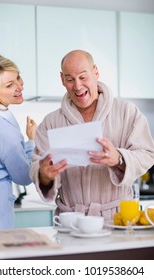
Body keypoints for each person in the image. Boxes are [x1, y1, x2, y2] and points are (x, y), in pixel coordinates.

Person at [30, 49, 154, 221]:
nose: (78, 86)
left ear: (95, 72)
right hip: (71, 221)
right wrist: (44, 174)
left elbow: (147, 154)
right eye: (70, 79)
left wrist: (118, 158)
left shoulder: (127, 112)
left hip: (117, 218)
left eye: (83, 77)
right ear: (62, 79)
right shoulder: (50, 123)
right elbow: (37, 164)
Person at [0, 53, 37, 230]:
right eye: (9, 85)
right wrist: (32, 141)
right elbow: (24, 176)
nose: (19, 86)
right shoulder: (2, 129)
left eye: (18, 77)